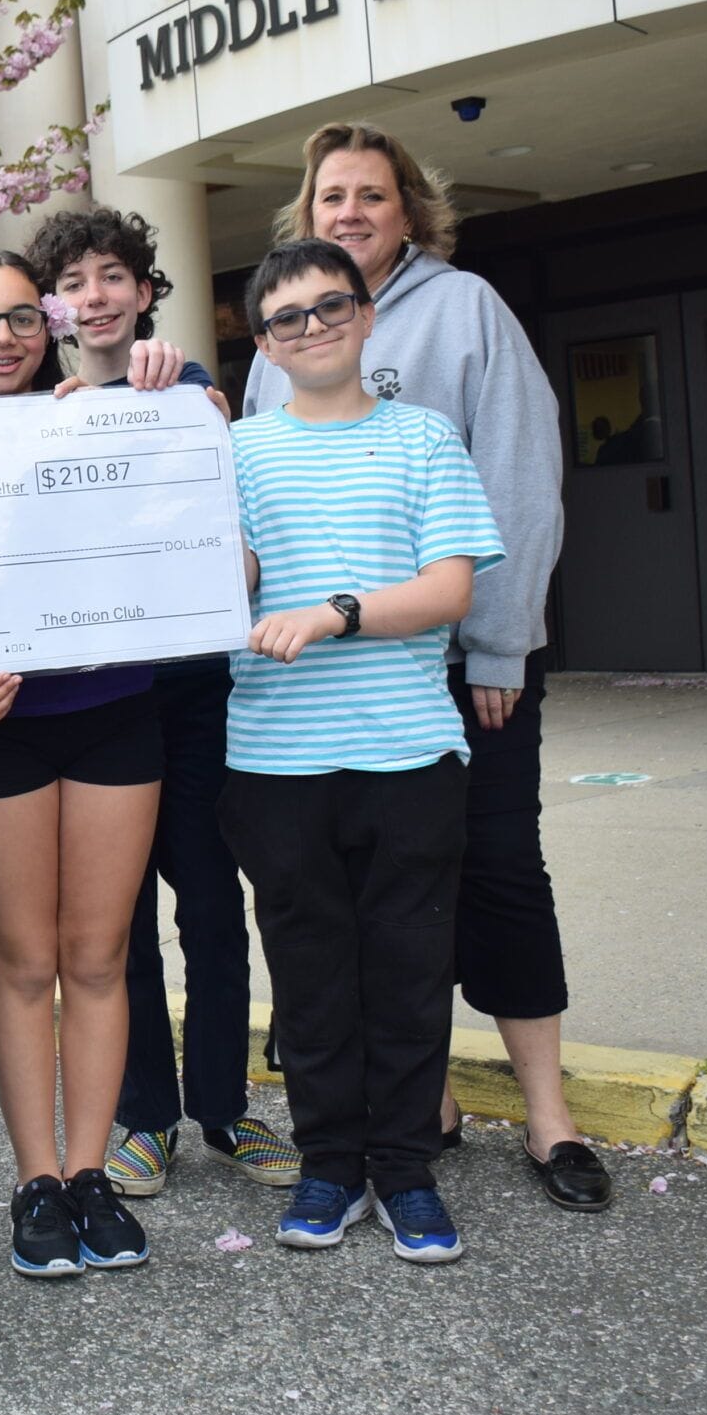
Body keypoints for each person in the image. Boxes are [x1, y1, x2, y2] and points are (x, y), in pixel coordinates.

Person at [249, 122, 611, 1213]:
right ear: (307, 213)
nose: (350, 212)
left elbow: (520, 478)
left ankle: (548, 1115)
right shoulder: (280, 343)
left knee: (499, 873)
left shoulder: (466, 308)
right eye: (332, 196)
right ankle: (428, 1104)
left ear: (408, 209)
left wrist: (499, 640)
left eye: (372, 194)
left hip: (461, 661)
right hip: (332, 683)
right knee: (380, 899)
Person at [0, 249, 190, 1280]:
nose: (3, 336)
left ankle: (89, 1172)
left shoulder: (99, 415)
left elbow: (179, 509)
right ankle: (36, 1182)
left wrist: (170, 399)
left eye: (23, 316)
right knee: (23, 962)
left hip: (116, 713)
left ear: (50, 326)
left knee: (100, 957)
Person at [223, 236, 503, 1263]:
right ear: (264, 344)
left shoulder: (424, 438)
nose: (313, 327)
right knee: (309, 979)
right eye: (287, 317)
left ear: (366, 315)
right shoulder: (234, 451)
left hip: (408, 755)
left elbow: (448, 589)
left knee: (409, 971)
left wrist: (334, 613)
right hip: (273, 760)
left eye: (331, 306)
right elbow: (219, 580)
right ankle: (330, 1165)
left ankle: (407, 1171)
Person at [22, 207, 305, 1203]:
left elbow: (227, 531)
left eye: (112, 276)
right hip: (99, 695)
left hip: (190, 691)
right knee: (119, 922)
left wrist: (181, 396)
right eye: (73, 283)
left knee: (212, 904)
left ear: (145, 292)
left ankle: (223, 1105)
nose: (94, 296)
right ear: (55, 308)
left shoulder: (184, 392)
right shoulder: (39, 410)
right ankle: (145, 1115)